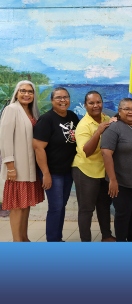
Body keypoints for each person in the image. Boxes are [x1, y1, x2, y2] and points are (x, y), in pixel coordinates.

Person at [101, 98, 132, 242]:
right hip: (120, 182)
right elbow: (106, 153)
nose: (130, 112)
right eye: (126, 109)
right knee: (123, 214)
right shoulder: (114, 128)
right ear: (119, 111)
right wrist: (112, 180)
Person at [33, 87, 79, 242]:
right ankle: (53, 241)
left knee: (61, 206)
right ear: (52, 100)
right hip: (52, 172)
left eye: (65, 97)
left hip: (68, 171)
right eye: (58, 97)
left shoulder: (72, 116)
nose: (63, 100)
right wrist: (45, 174)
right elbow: (38, 148)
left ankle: (58, 239)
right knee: (56, 207)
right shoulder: (47, 119)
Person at [0, 81, 45, 242]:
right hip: (17, 168)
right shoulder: (11, 110)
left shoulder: (32, 112)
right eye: (23, 91)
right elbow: (4, 140)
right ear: (16, 93)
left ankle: (24, 239)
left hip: (30, 168)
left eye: (30, 92)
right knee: (17, 206)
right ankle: (17, 241)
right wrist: (10, 166)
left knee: (25, 205)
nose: (27, 94)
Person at [72, 91, 116, 242]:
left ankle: (107, 235)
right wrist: (98, 131)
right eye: (91, 103)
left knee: (104, 206)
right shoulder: (83, 126)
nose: (96, 105)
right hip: (85, 170)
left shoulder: (106, 118)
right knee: (86, 209)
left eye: (98, 102)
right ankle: (86, 242)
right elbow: (87, 151)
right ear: (85, 106)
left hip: (103, 171)